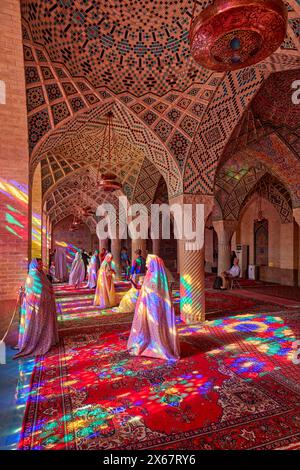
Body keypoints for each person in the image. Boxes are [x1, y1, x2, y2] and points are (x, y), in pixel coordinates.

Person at [127, 254, 180, 361]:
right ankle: (146, 341)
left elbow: (159, 295)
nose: (146, 265)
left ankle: (158, 345)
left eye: (148, 262)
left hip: (155, 308)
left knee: (156, 326)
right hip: (147, 307)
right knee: (145, 326)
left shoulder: (158, 278)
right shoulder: (149, 275)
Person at [15, 258, 59, 358]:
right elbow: (38, 289)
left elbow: (47, 285)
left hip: (44, 303)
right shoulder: (34, 275)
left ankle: (46, 337)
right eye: (39, 264)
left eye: (41, 264)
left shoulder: (41, 274)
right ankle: (36, 340)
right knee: (36, 323)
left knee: (43, 323)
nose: (41, 265)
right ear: (34, 265)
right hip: (36, 305)